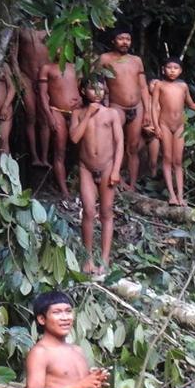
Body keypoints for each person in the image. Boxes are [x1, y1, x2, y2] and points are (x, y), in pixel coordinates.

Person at [70, 79, 123, 277]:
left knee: (107, 212)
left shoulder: (112, 114)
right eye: (93, 88)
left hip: (108, 167)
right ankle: (88, 258)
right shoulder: (77, 113)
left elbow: (119, 143)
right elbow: (74, 138)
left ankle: (105, 259)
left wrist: (116, 169)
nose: (98, 92)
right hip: (86, 168)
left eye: (101, 88)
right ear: (83, 90)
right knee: (89, 212)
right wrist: (89, 114)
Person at [150, 58, 195, 206]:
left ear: (180, 70)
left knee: (178, 161)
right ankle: (171, 196)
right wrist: (156, 126)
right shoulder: (160, 85)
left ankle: (180, 195)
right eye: (169, 67)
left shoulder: (183, 86)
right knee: (167, 158)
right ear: (163, 69)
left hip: (179, 126)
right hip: (165, 125)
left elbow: (191, 104)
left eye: (176, 68)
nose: (172, 70)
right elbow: (154, 107)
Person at [97, 28, 150, 191]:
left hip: (137, 106)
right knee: (112, 143)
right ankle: (110, 177)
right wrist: (102, 106)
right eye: (121, 38)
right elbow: (99, 83)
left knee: (132, 147)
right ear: (113, 40)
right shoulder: (104, 58)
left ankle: (132, 185)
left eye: (128, 38)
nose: (125, 42)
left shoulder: (136, 60)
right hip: (116, 106)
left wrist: (148, 111)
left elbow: (143, 87)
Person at [37, 59, 82, 203]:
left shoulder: (76, 66)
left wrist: (82, 99)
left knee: (83, 149)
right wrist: (49, 116)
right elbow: (43, 95)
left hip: (76, 111)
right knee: (59, 151)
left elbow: (82, 87)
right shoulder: (47, 68)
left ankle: (80, 185)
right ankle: (64, 191)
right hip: (56, 111)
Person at [16, 24, 51, 167]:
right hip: (26, 77)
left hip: (45, 77)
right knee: (31, 115)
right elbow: (13, 55)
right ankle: (34, 156)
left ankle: (44, 157)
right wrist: (19, 78)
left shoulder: (51, 28)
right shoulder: (20, 29)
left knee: (45, 118)